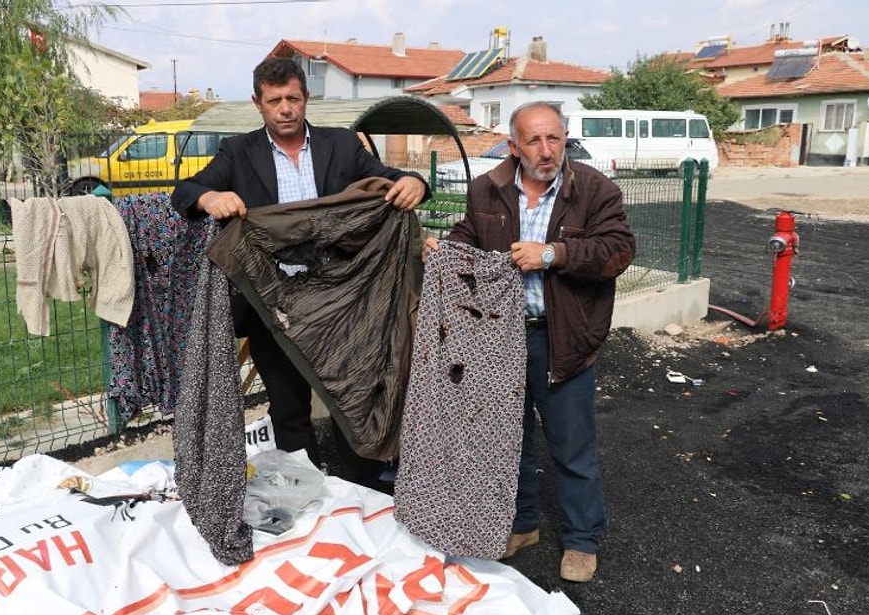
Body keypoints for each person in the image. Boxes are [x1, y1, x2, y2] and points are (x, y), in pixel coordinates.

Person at [171, 57, 428, 492]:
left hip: (342, 299)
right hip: (274, 306)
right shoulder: (238, 153)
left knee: (355, 393)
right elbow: (186, 192)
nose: (285, 109)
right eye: (275, 101)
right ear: (258, 104)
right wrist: (210, 197)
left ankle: (363, 491)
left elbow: (388, 179)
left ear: (306, 98)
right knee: (289, 405)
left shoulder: (342, 146)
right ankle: (305, 494)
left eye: (293, 98)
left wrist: (416, 182)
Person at [424, 101, 635, 582]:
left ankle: (582, 540)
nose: (546, 150)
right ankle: (523, 523)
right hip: (499, 338)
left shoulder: (595, 190)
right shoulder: (488, 189)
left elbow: (618, 250)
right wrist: (444, 249)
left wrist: (554, 254)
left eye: (554, 138)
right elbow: (469, 237)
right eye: (534, 141)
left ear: (565, 139)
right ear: (514, 146)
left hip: (561, 339)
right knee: (508, 441)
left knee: (571, 445)